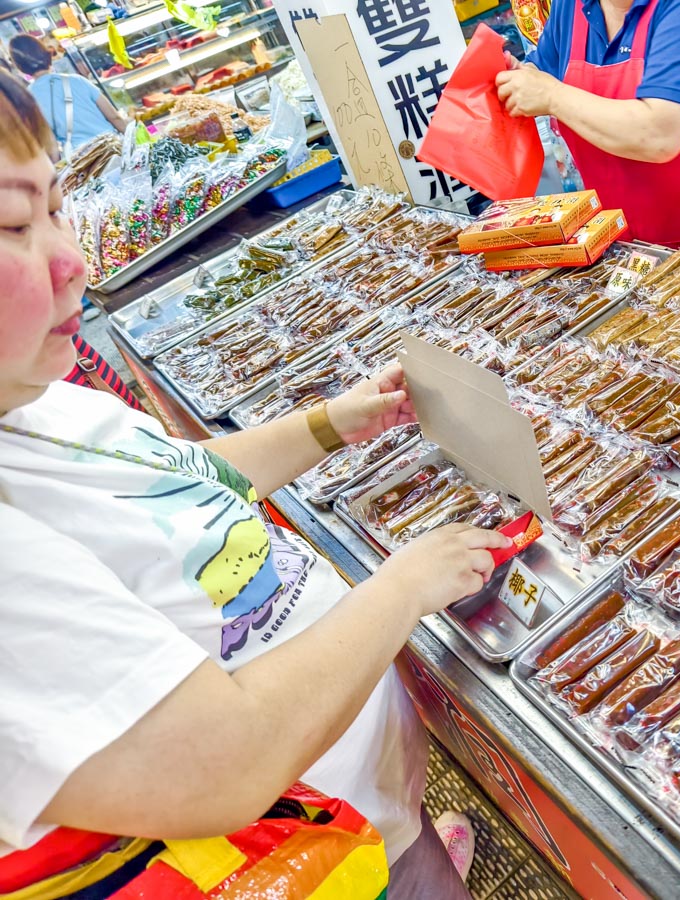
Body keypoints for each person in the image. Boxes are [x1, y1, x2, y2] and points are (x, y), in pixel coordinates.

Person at [0, 70, 503, 897]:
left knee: (415, 860)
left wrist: (334, 424)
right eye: (15, 224)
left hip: (363, 801)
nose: (71, 261)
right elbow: (222, 763)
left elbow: (178, 488)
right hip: (295, 861)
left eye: (56, 208)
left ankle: (418, 848)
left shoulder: (36, 398)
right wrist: (400, 588)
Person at [496, 0, 680, 247]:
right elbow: (543, 70)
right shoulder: (570, 7)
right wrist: (514, 78)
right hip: (625, 243)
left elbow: (659, 134)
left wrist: (551, 96)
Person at [8, 34, 127, 160]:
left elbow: (51, 145)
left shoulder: (28, 99)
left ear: (20, 67)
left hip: (83, 160)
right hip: (113, 147)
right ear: (46, 54)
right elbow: (114, 117)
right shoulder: (77, 80)